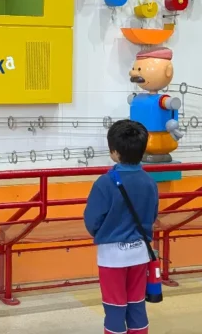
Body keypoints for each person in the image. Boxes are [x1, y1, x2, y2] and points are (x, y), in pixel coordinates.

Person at [84, 120, 159, 334]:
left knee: (115, 308)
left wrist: (103, 233)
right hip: (140, 253)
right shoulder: (149, 181)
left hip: (112, 256)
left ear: (114, 152)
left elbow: (92, 220)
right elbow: (152, 215)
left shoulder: (104, 183)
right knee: (137, 305)